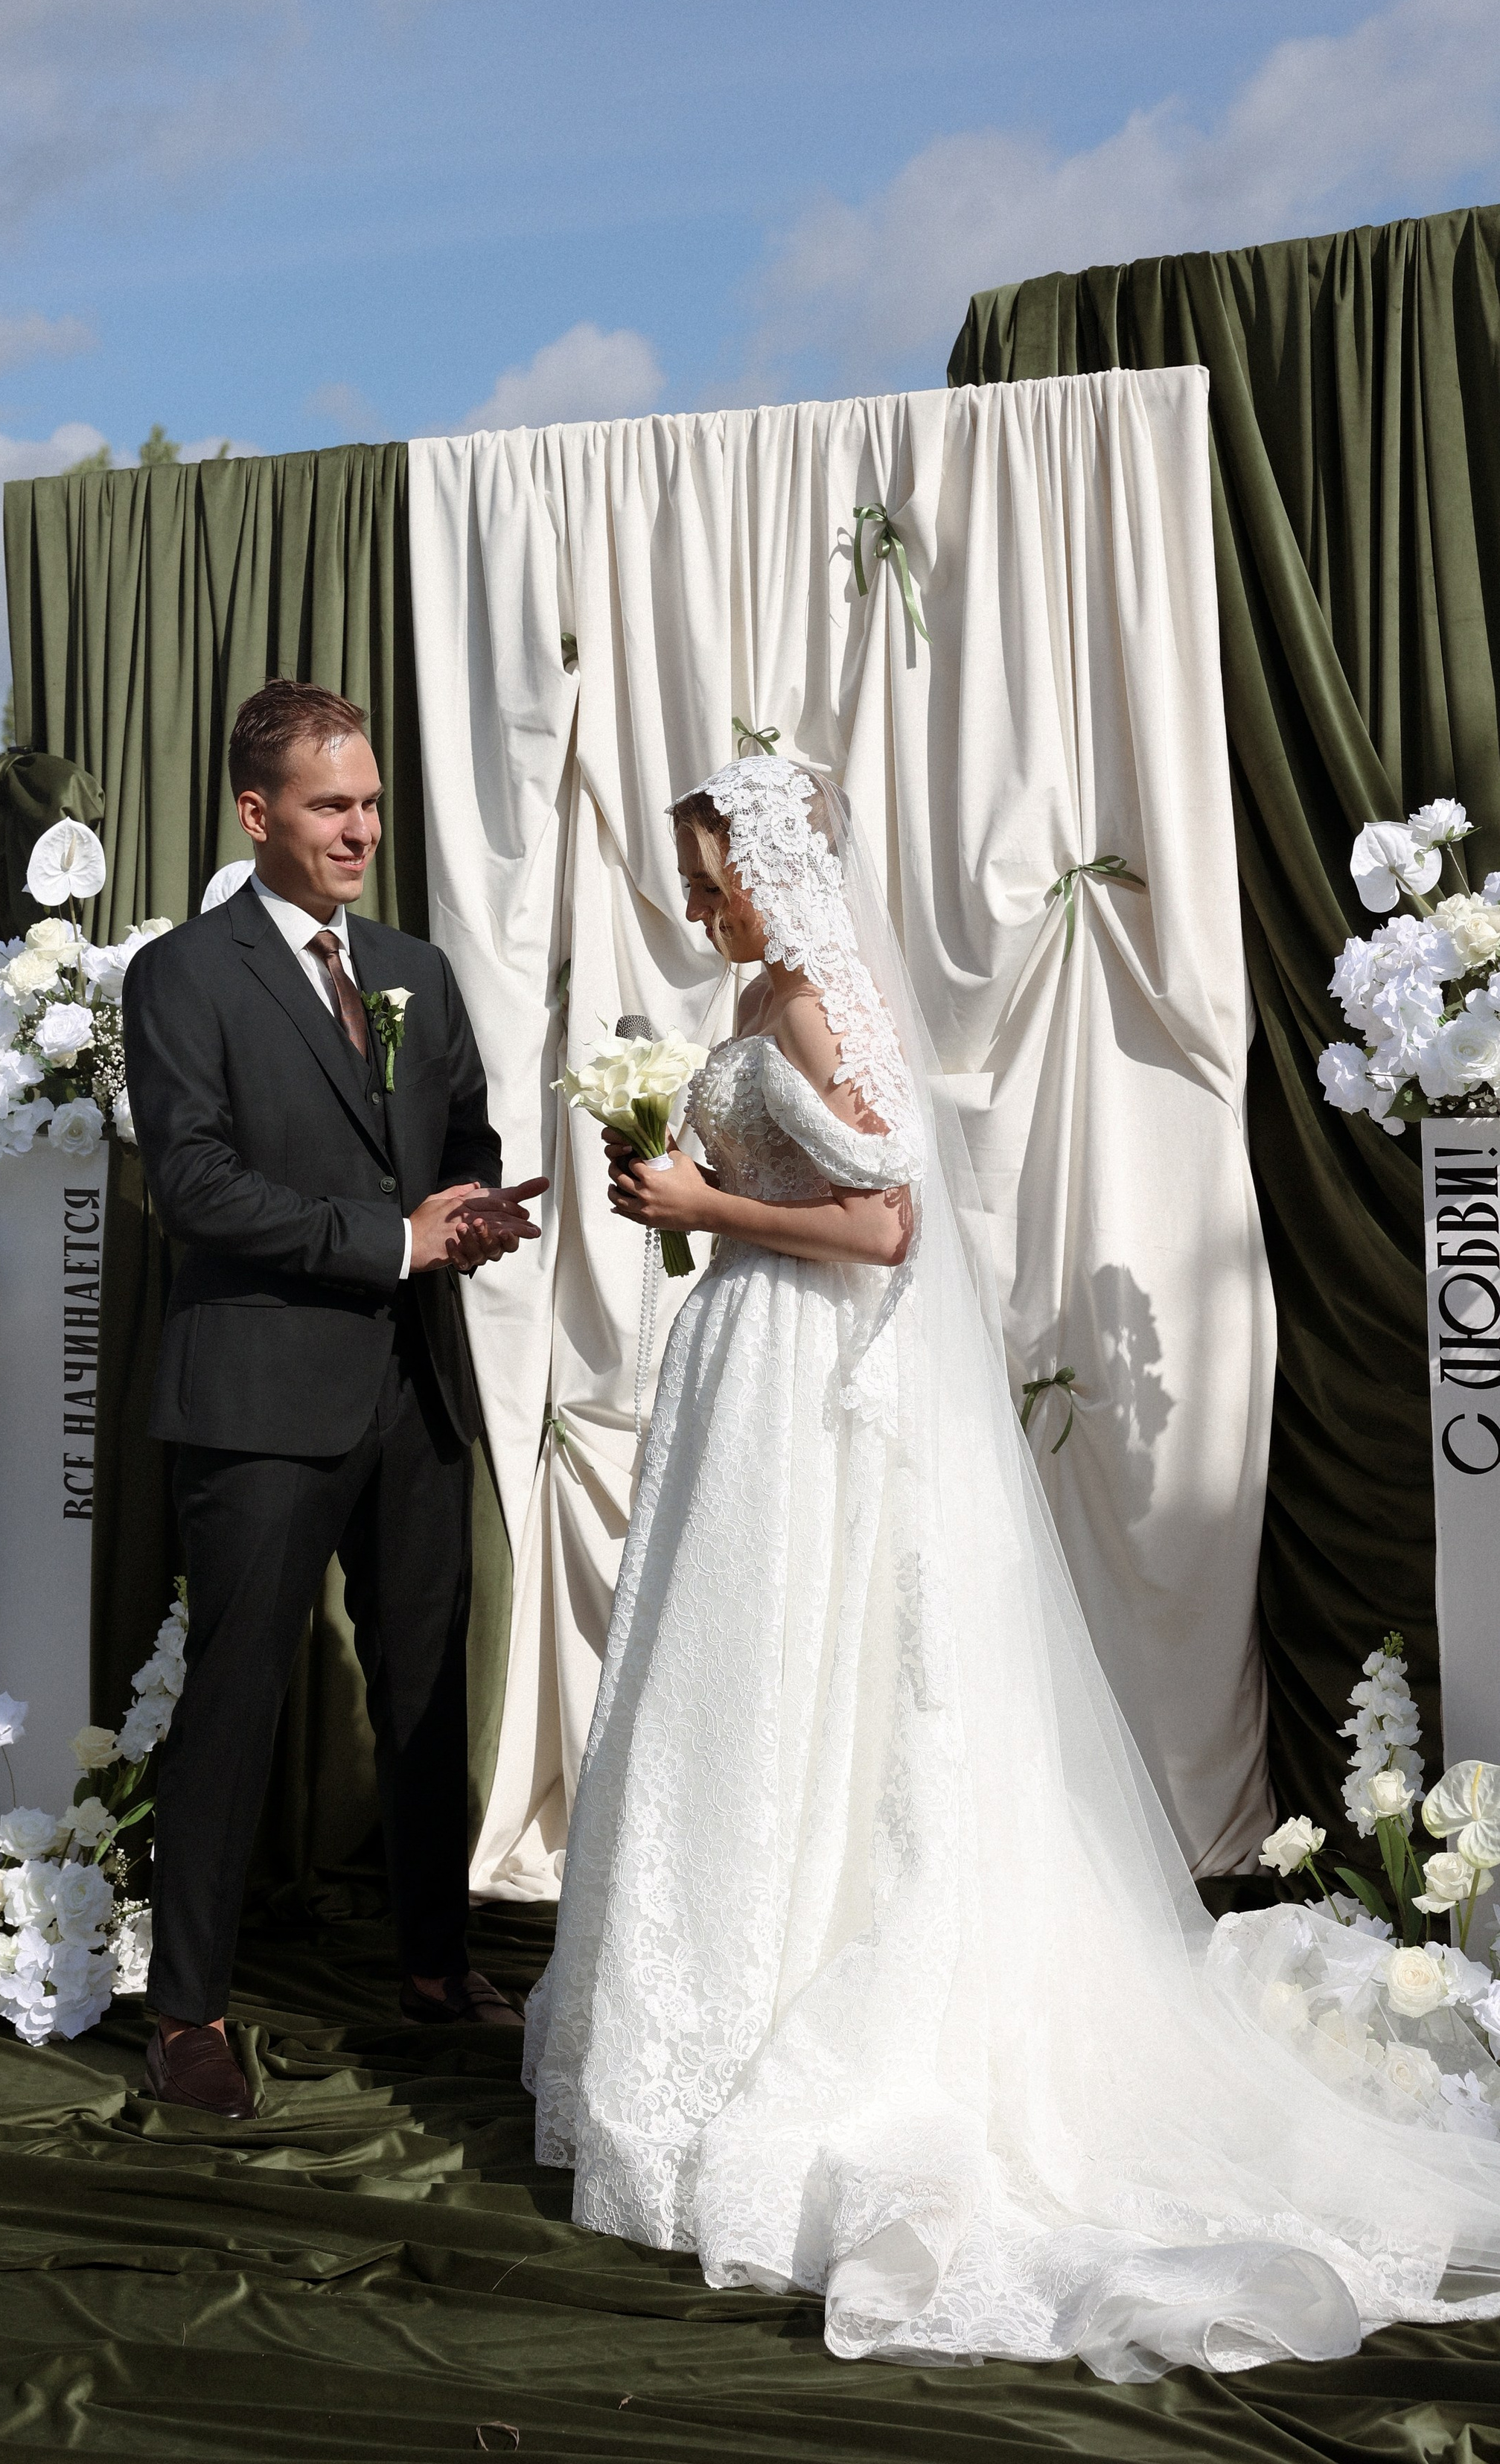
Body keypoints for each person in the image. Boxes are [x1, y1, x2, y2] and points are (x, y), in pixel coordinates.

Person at [524, 749, 1500, 2379]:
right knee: (731, 1697)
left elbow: (893, 1229)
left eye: (712, 872)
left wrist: (704, 1197)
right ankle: (696, 2027)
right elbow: (799, 1190)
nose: (695, 901)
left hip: (806, 1384)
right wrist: (689, 1207)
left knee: (814, 1682)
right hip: (743, 1375)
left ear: (774, 864)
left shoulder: (819, 1007)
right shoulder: (766, 996)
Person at [124, 677, 546, 2116]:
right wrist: (389, 1239)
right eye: (332, 805)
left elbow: (461, 1137)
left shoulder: (416, 973)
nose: (363, 828)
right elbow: (192, 1184)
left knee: (429, 1691)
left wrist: (480, 1206)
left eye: (371, 803)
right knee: (236, 1699)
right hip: (257, 1400)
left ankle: (435, 1963)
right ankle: (187, 2011)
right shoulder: (182, 976)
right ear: (258, 814)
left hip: (417, 1391)